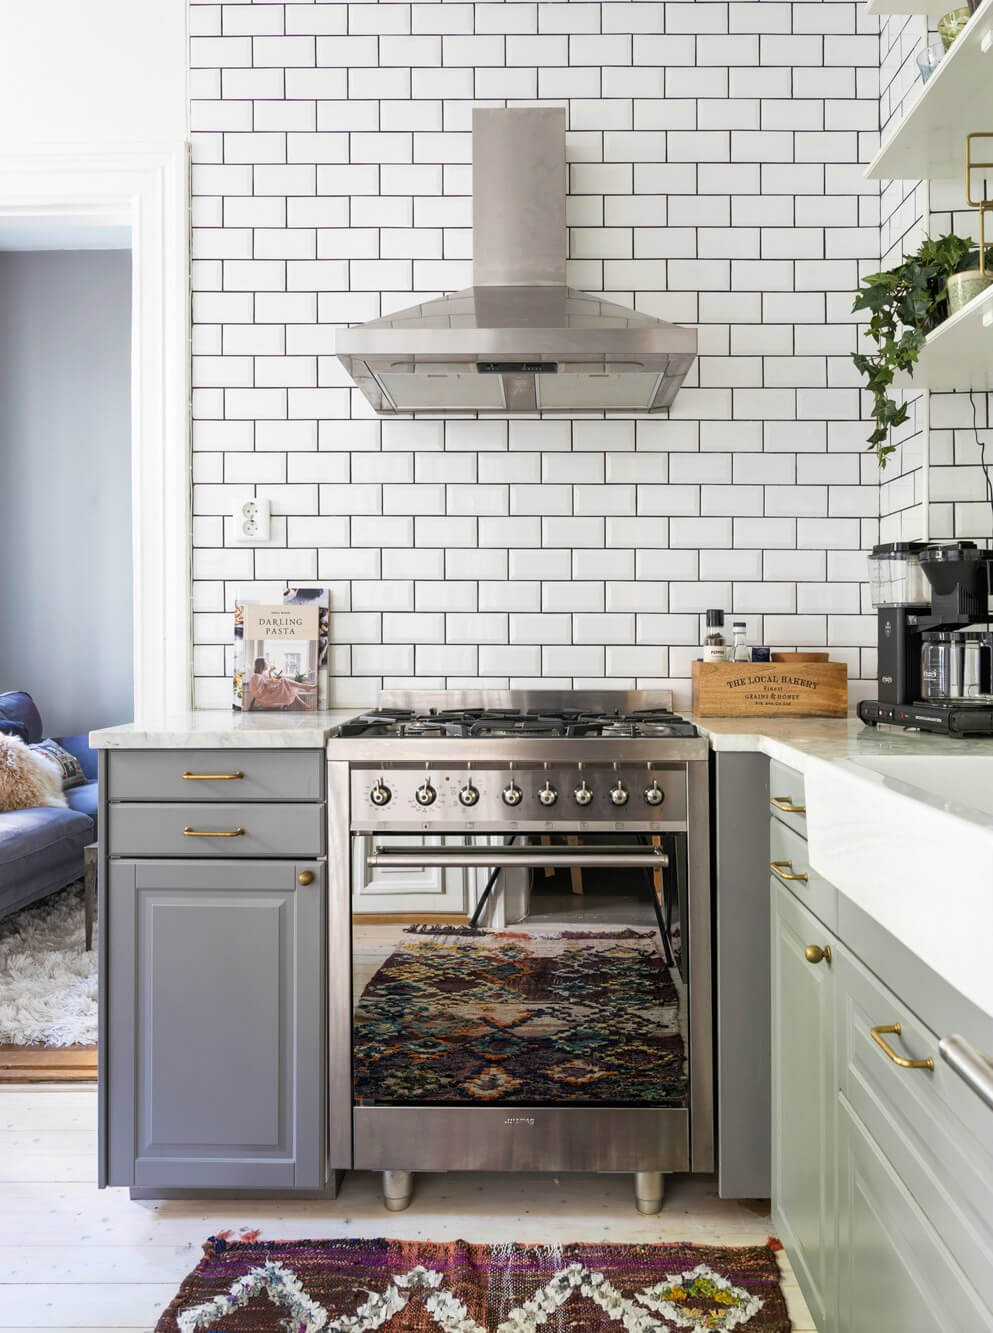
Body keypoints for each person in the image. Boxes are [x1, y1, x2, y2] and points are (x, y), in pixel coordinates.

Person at [245, 656, 316, 710]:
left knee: (288, 686)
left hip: (269, 693)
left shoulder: (263, 675)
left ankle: (303, 701)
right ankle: (305, 688)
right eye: (266, 663)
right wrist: (267, 684)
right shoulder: (255, 676)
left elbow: (270, 683)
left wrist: (270, 672)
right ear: (261, 665)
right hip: (265, 697)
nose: (267, 664)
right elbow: (257, 693)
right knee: (284, 681)